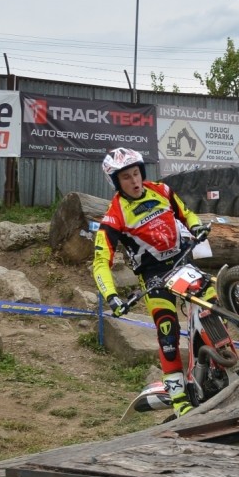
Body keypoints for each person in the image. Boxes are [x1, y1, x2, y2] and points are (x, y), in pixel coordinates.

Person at [92, 148, 211, 417]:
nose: (134, 181)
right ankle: (179, 399)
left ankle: (213, 369)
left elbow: (187, 213)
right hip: (153, 275)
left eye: (136, 173)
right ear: (115, 182)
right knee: (167, 332)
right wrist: (112, 296)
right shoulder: (114, 216)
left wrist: (196, 226)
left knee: (211, 310)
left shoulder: (162, 190)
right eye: (126, 177)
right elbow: (100, 262)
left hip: (183, 261)